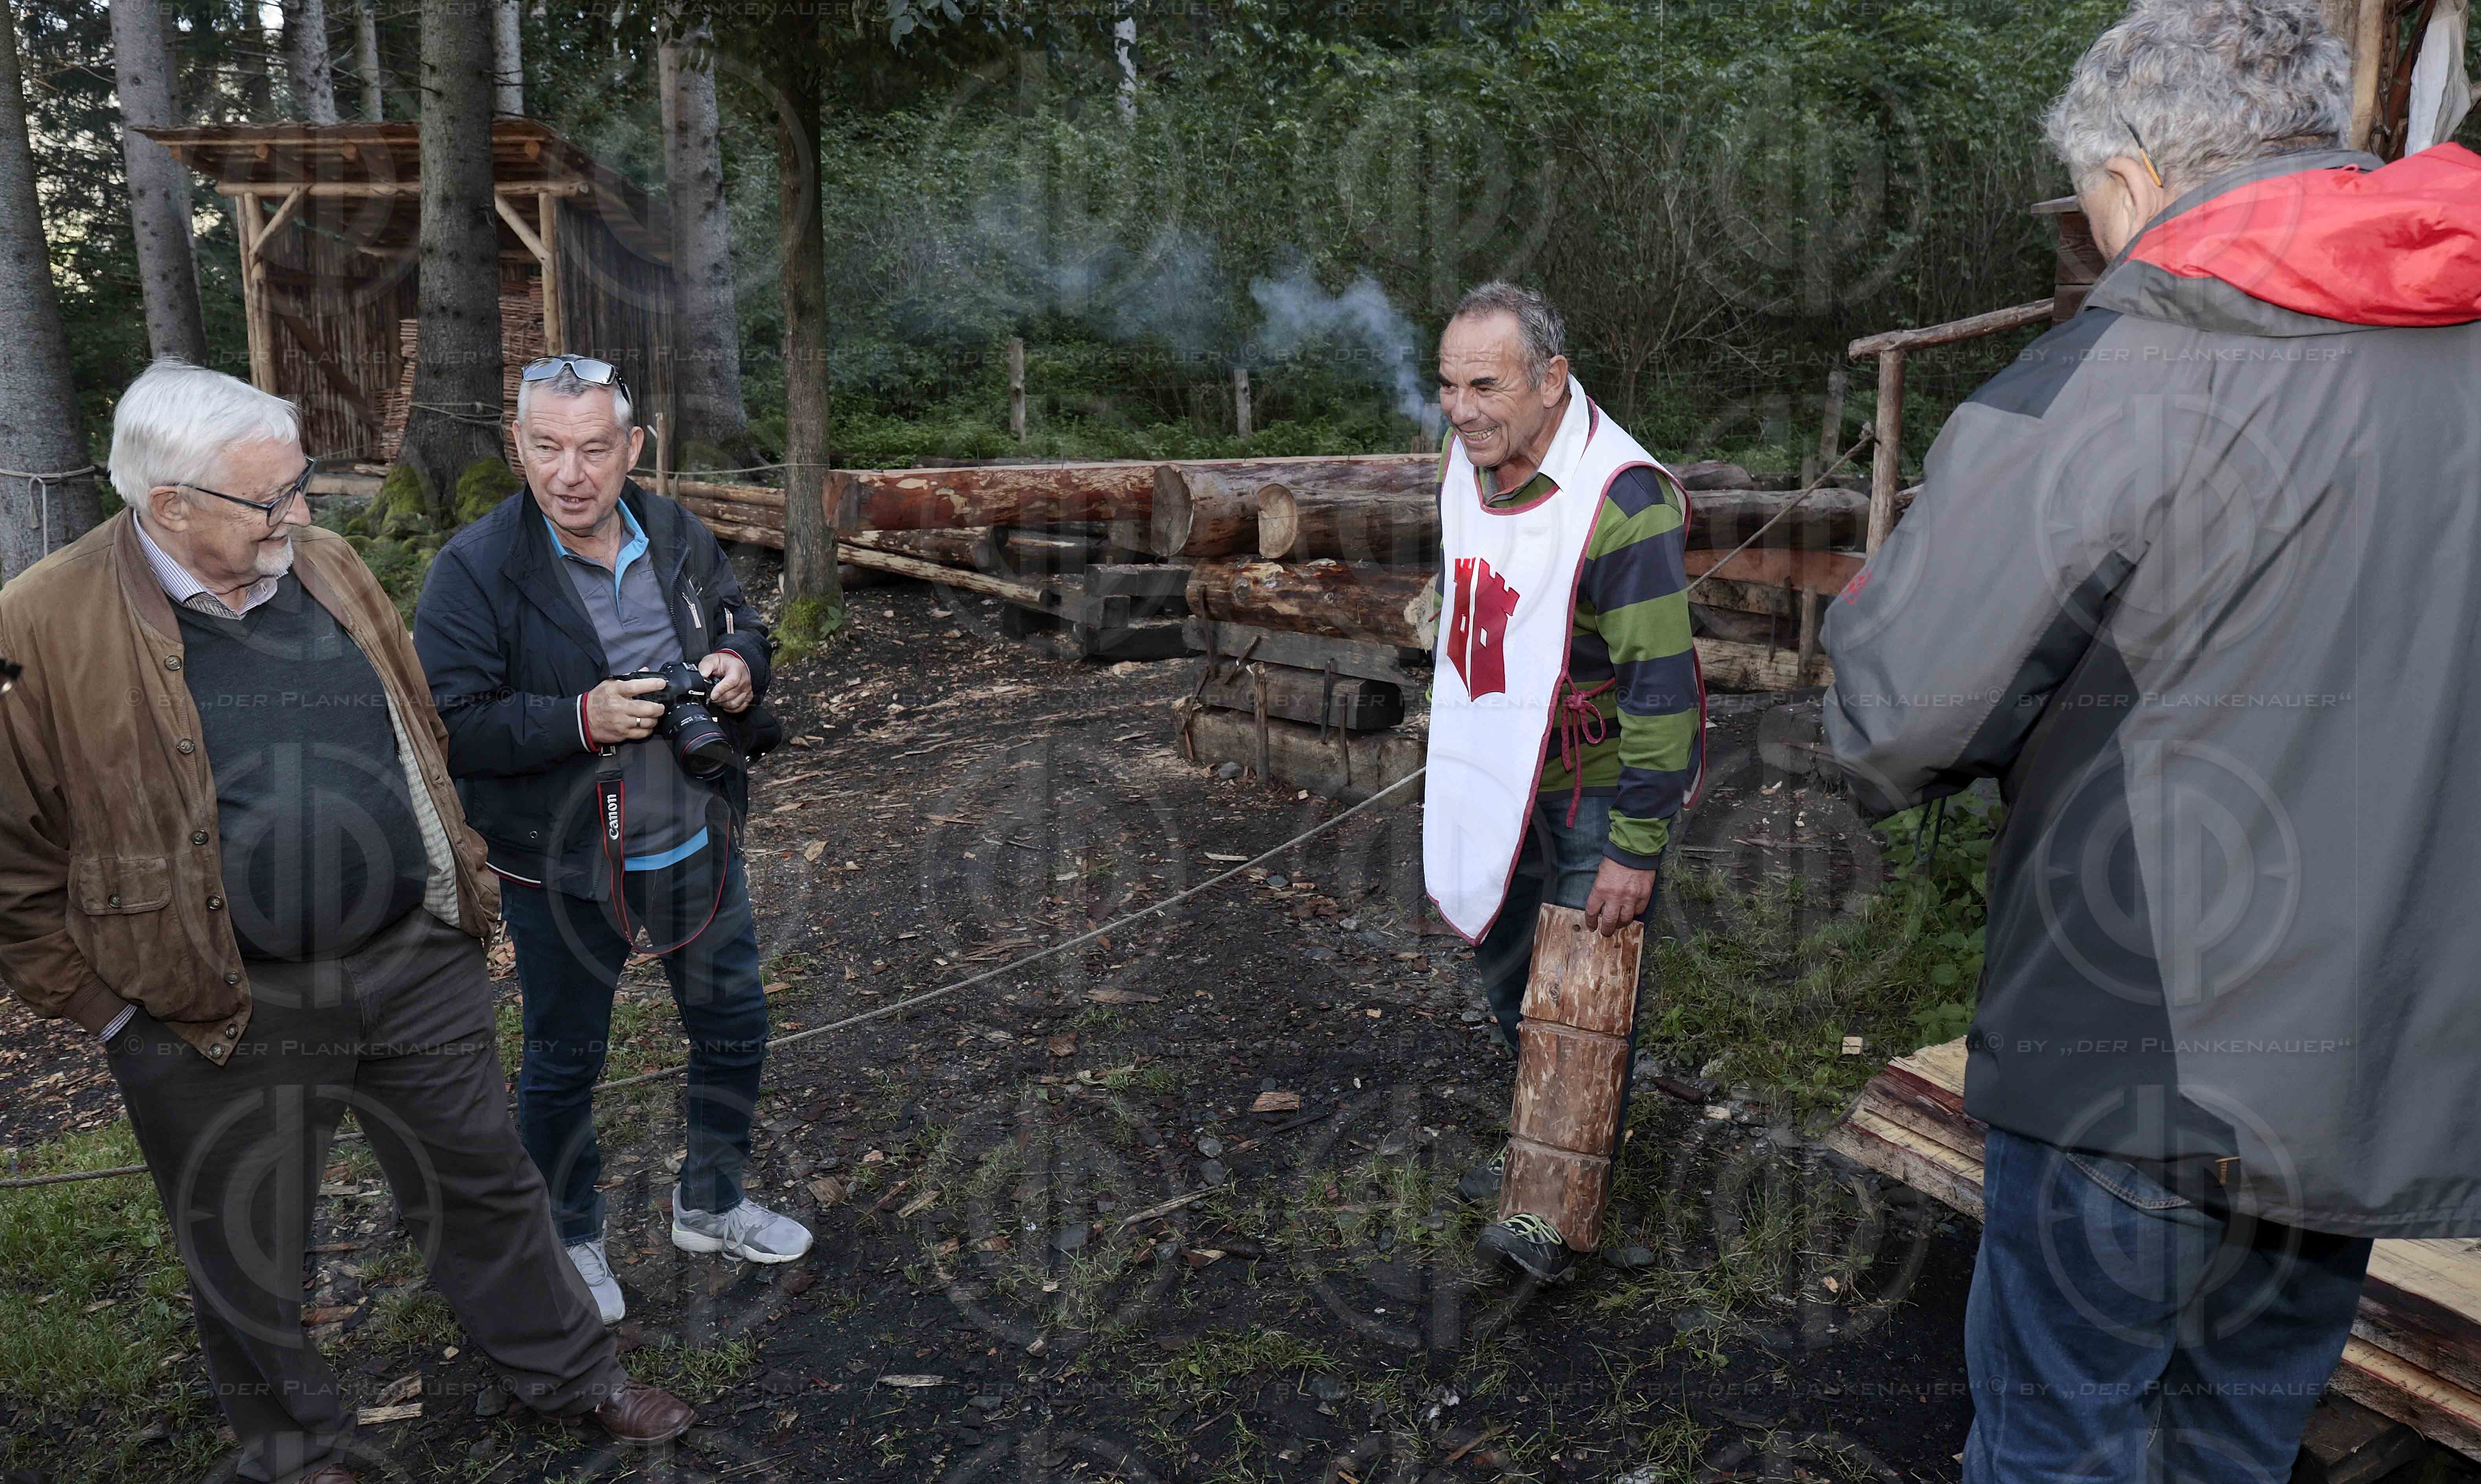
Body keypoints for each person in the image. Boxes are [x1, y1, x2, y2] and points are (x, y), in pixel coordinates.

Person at [1821, 1, 2481, 1478]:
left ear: (2128, 178)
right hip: (2371, 1046)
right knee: (2237, 1440)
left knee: (2062, 1441)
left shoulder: (2121, 373)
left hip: (2138, 1048)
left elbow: (1896, 712)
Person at [0, 361, 694, 1484]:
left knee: (485, 1182)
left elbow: (417, 726)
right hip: (213, 999)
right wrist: (106, 1005)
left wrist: (452, 886)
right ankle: (296, 1449)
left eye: (300, 483)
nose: (303, 513)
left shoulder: (322, 566)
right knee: (248, 1239)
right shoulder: (42, 623)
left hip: (409, 960)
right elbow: (11, 847)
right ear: (169, 505)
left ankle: (573, 1374)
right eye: (272, 498)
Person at [414, 355, 807, 1327]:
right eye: (546, 447)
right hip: (561, 863)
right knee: (563, 1058)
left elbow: (744, 622)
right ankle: (568, 1234)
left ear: (633, 448)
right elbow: (452, 726)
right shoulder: (475, 568)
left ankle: (710, 1203)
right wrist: (581, 719)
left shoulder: (675, 530)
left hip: (694, 843)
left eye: (595, 448)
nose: (570, 473)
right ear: (518, 445)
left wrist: (738, 665)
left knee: (734, 1028)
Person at [1423, 283, 1703, 1284]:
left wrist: (1636, 844)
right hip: (1497, 773)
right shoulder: (1470, 466)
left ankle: (1555, 1205)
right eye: (1449, 385)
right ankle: (1536, 1141)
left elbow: (1663, 691)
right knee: (1508, 969)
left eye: (1485, 384)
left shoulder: (1621, 499)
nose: (1461, 410)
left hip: (1595, 787)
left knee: (1581, 998)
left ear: (1552, 379)